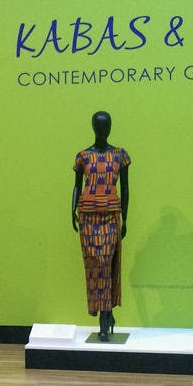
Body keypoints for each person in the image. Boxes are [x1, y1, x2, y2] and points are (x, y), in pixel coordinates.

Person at [72, 111, 130, 341]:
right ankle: (105, 315)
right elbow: (77, 186)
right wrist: (71, 211)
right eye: (98, 125)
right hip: (87, 216)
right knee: (94, 267)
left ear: (110, 128)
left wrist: (125, 217)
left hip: (110, 215)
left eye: (106, 126)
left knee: (107, 263)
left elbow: (125, 189)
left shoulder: (120, 155)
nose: (102, 130)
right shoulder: (83, 156)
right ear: (93, 127)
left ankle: (105, 319)